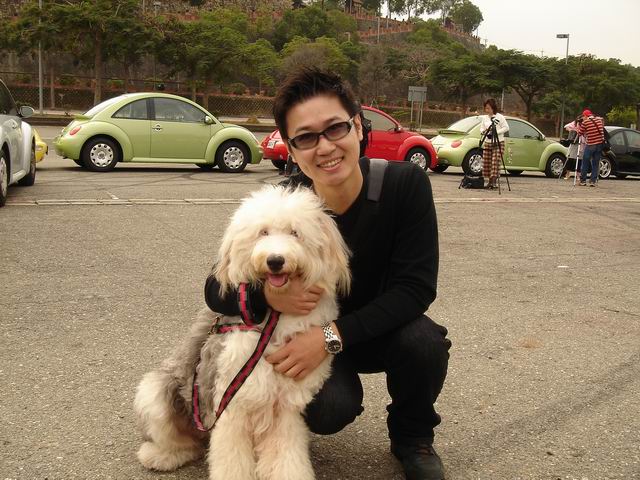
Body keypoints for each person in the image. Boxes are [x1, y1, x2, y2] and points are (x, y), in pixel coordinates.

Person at [204, 68, 451, 480]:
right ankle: (272, 439)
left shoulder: (404, 185)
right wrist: (267, 296)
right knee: (329, 408)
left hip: (376, 332)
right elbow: (216, 286)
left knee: (423, 342)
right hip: (305, 333)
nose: (324, 147)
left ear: (359, 127)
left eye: (336, 128)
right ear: (291, 147)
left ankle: (413, 437)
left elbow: (416, 288)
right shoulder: (285, 202)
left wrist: (329, 336)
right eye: (305, 137)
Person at [479, 98, 509, 189]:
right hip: (488, 142)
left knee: (495, 162)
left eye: (488, 108)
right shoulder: (485, 118)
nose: (487, 110)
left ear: (493, 108)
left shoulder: (499, 117)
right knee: (487, 162)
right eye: (486, 108)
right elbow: (481, 128)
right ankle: (489, 182)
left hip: (498, 142)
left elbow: (506, 127)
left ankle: (494, 182)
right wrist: (483, 131)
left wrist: (496, 132)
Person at [576, 109, 605, 187]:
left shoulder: (585, 122)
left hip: (590, 144)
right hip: (599, 144)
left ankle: (583, 181)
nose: (583, 118)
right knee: (595, 163)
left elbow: (580, 133)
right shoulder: (599, 121)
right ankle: (593, 181)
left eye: (583, 116)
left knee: (585, 162)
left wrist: (579, 126)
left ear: (585, 116)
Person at [562, 115, 586, 180]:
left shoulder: (585, 124)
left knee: (579, 160)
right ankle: (567, 174)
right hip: (574, 142)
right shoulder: (574, 123)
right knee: (570, 158)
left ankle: (578, 175)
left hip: (581, 143)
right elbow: (566, 127)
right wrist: (574, 130)